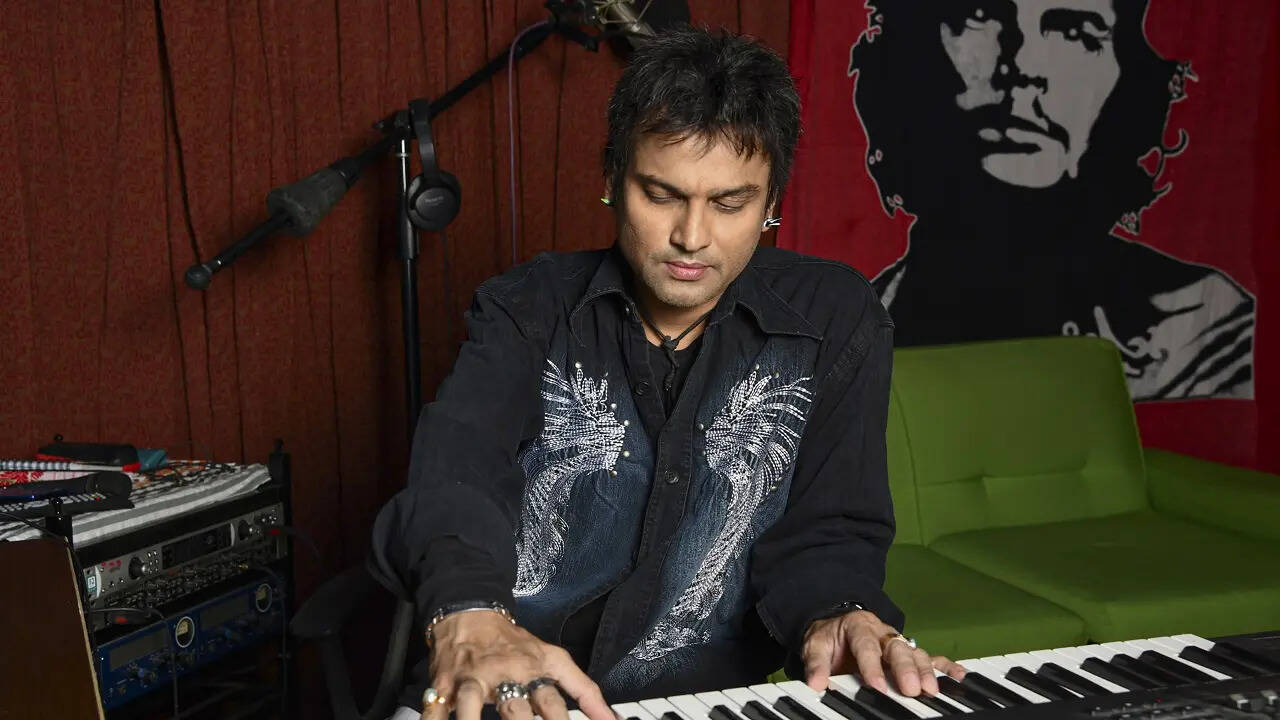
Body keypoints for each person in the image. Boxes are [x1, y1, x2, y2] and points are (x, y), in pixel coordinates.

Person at [369, 26, 963, 720]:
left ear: (773, 201)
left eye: (730, 204)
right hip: (507, 695)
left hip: (708, 705)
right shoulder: (525, 309)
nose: (692, 237)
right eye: (661, 195)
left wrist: (841, 611)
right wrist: (469, 613)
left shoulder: (834, 318)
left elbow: (829, 530)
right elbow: (455, 479)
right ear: (611, 181)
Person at [850, 0, 1255, 400]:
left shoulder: (1200, 333)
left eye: (1074, 31)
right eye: (980, 15)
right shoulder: (851, 329)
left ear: (1129, 78)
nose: (1023, 68)